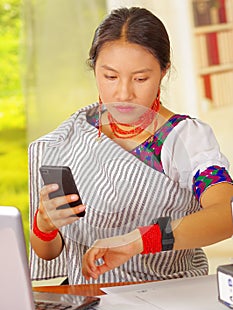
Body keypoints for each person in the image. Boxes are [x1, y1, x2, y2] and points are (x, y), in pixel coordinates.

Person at [29, 7, 233, 284]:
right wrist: (45, 224)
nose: (124, 93)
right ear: (95, 70)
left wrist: (141, 240)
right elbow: (48, 253)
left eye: (140, 79)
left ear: (163, 71)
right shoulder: (73, 134)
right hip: (86, 303)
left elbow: (225, 215)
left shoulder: (183, 139)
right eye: (110, 77)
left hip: (168, 301)